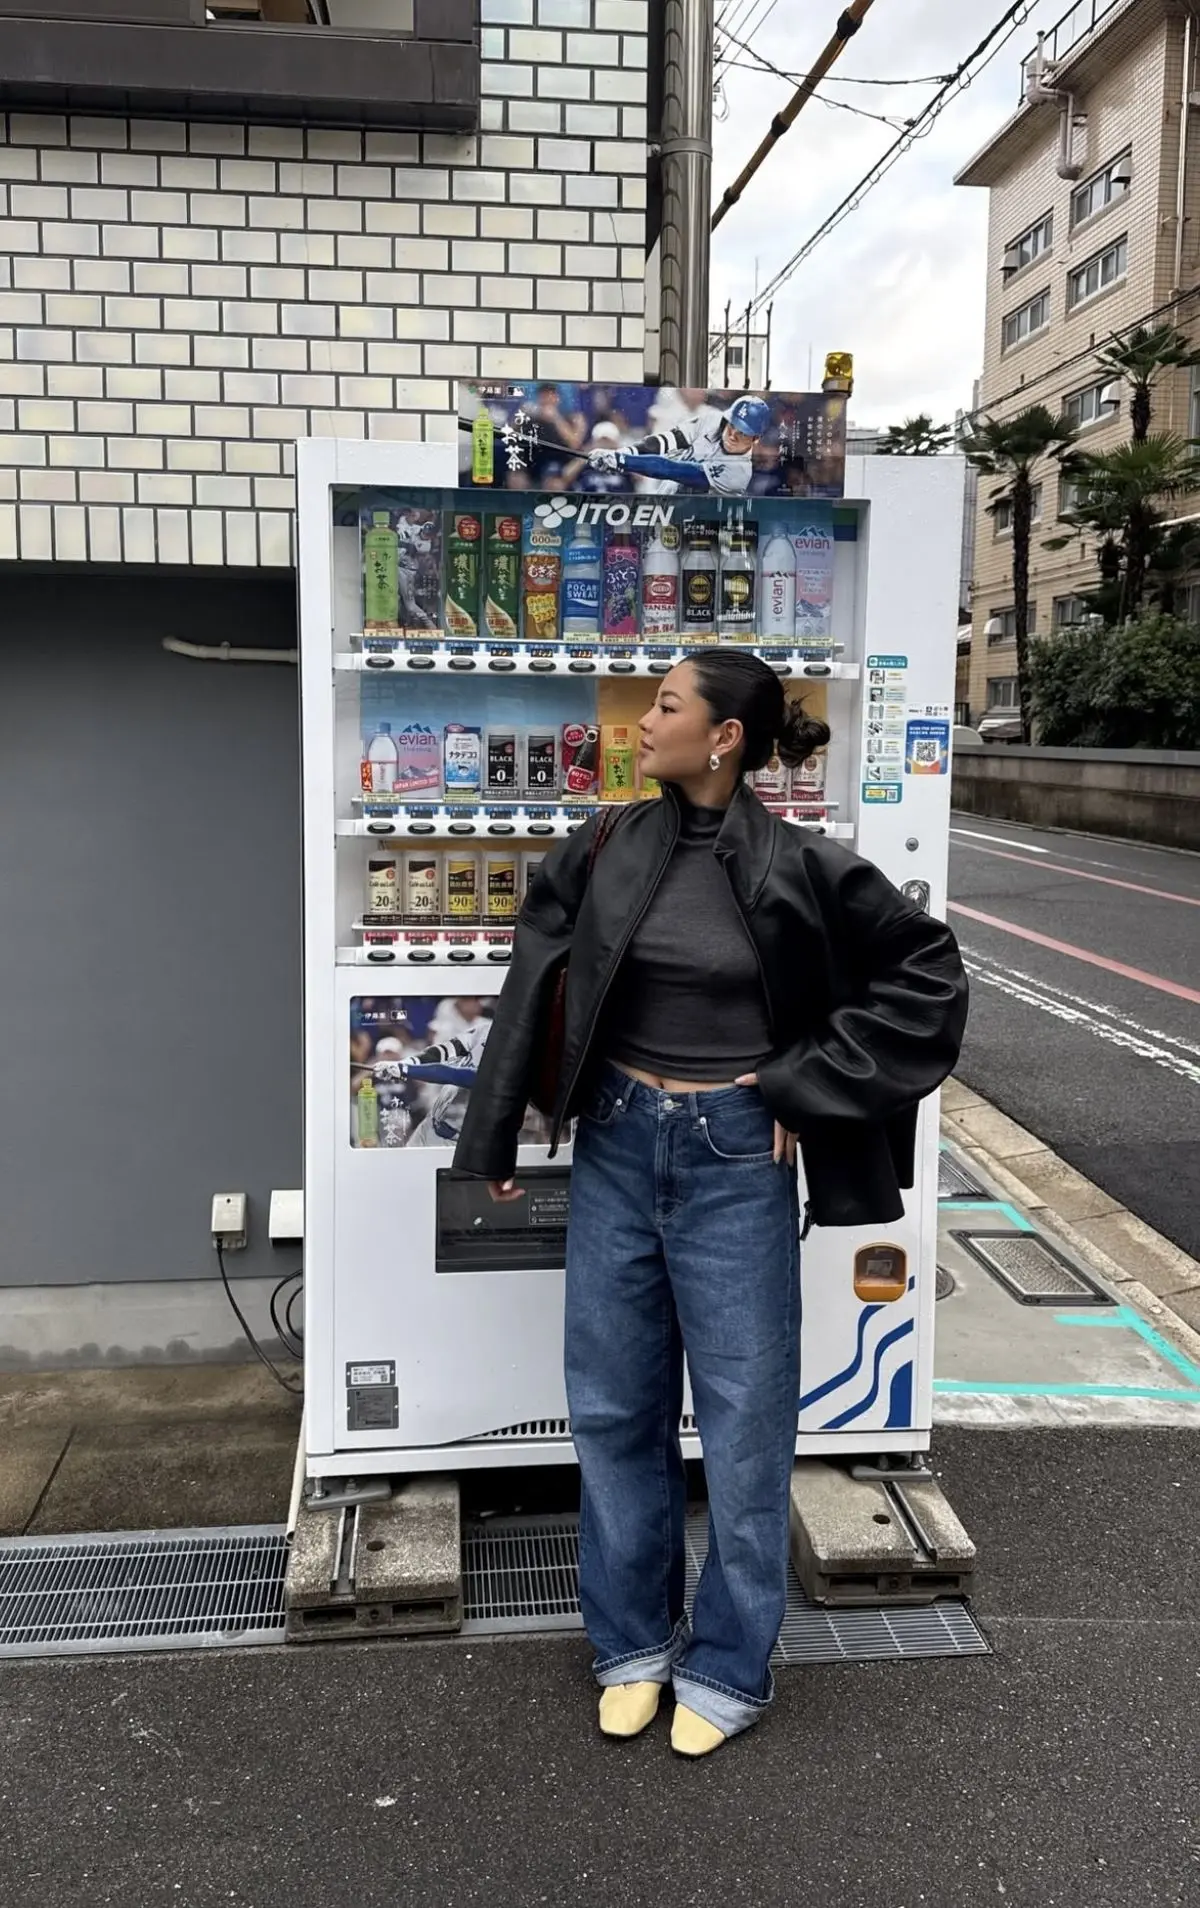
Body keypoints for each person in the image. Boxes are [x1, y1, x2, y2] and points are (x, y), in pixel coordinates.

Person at [453, 651, 968, 1759]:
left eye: (668, 705)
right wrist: (494, 1131)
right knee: (613, 1409)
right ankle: (631, 1645)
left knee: (742, 1426)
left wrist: (800, 1085)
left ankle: (731, 1663)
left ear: (725, 736)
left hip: (734, 1155)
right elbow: (533, 980)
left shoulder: (804, 864)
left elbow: (927, 978)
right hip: (616, 1143)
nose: (645, 721)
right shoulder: (602, 844)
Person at [587, 395, 772, 496]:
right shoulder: (713, 420)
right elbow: (666, 441)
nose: (732, 436)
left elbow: (671, 469)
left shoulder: (738, 473)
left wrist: (623, 461)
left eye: (743, 433)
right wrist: (624, 453)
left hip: (703, 528)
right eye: (732, 426)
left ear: (756, 439)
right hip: (666, 508)